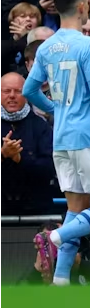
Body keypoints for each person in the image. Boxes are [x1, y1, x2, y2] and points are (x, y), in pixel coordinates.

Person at [22, 0, 90, 286]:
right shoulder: (88, 45)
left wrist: (55, 109)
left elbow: (30, 90)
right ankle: (56, 236)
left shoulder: (45, 47)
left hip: (62, 137)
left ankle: (61, 279)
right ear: (82, 6)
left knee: (75, 208)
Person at [1, 72, 56, 216]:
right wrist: (3, 155)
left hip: (36, 210)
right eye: (6, 91)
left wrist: (20, 159)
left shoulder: (41, 126)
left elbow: (49, 170)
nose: (12, 95)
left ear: (26, 94)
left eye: (18, 91)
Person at [20, 222, 90, 285]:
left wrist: (80, 264)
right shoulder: (40, 267)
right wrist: (36, 270)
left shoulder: (89, 255)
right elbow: (17, 299)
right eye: (48, 244)